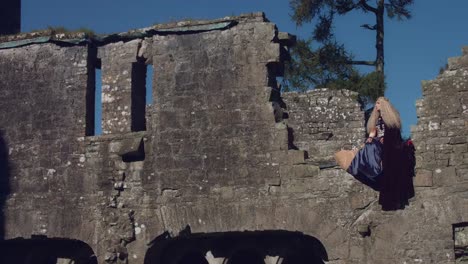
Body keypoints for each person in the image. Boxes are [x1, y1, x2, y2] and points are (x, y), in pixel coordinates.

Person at [338, 97, 414, 210]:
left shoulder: (391, 119)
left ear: (383, 105)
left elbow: (394, 133)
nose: (376, 105)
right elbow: (373, 131)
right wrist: (370, 137)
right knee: (370, 145)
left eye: (378, 103)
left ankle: (377, 168)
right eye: (376, 103)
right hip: (379, 142)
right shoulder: (377, 119)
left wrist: (386, 140)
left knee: (376, 148)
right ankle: (367, 167)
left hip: (390, 145)